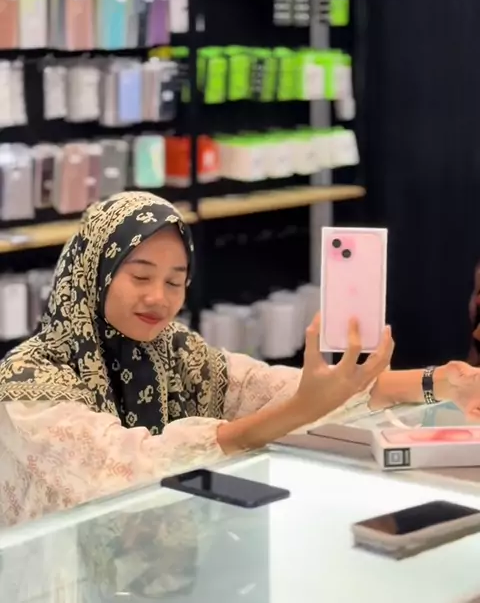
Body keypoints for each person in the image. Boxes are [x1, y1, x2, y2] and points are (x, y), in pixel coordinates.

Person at [1, 191, 480, 528]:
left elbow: (269, 388)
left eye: (175, 281)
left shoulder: (176, 351)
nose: (158, 297)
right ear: (94, 273)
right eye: (140, 276)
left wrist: (440, 381)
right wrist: (296, 411)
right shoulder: (28, 380)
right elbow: (124, 469)